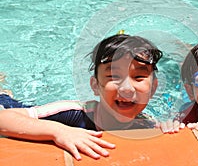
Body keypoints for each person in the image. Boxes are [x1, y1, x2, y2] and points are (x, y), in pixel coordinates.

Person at [0, 34, 163, 160]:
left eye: (138, 77)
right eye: (114, 76)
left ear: (153, 88)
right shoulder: (75, 113)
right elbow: (3, 119)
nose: (126, 88)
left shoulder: (146, 125)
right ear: (95, 86)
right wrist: (59, 131)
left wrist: (171, 127)